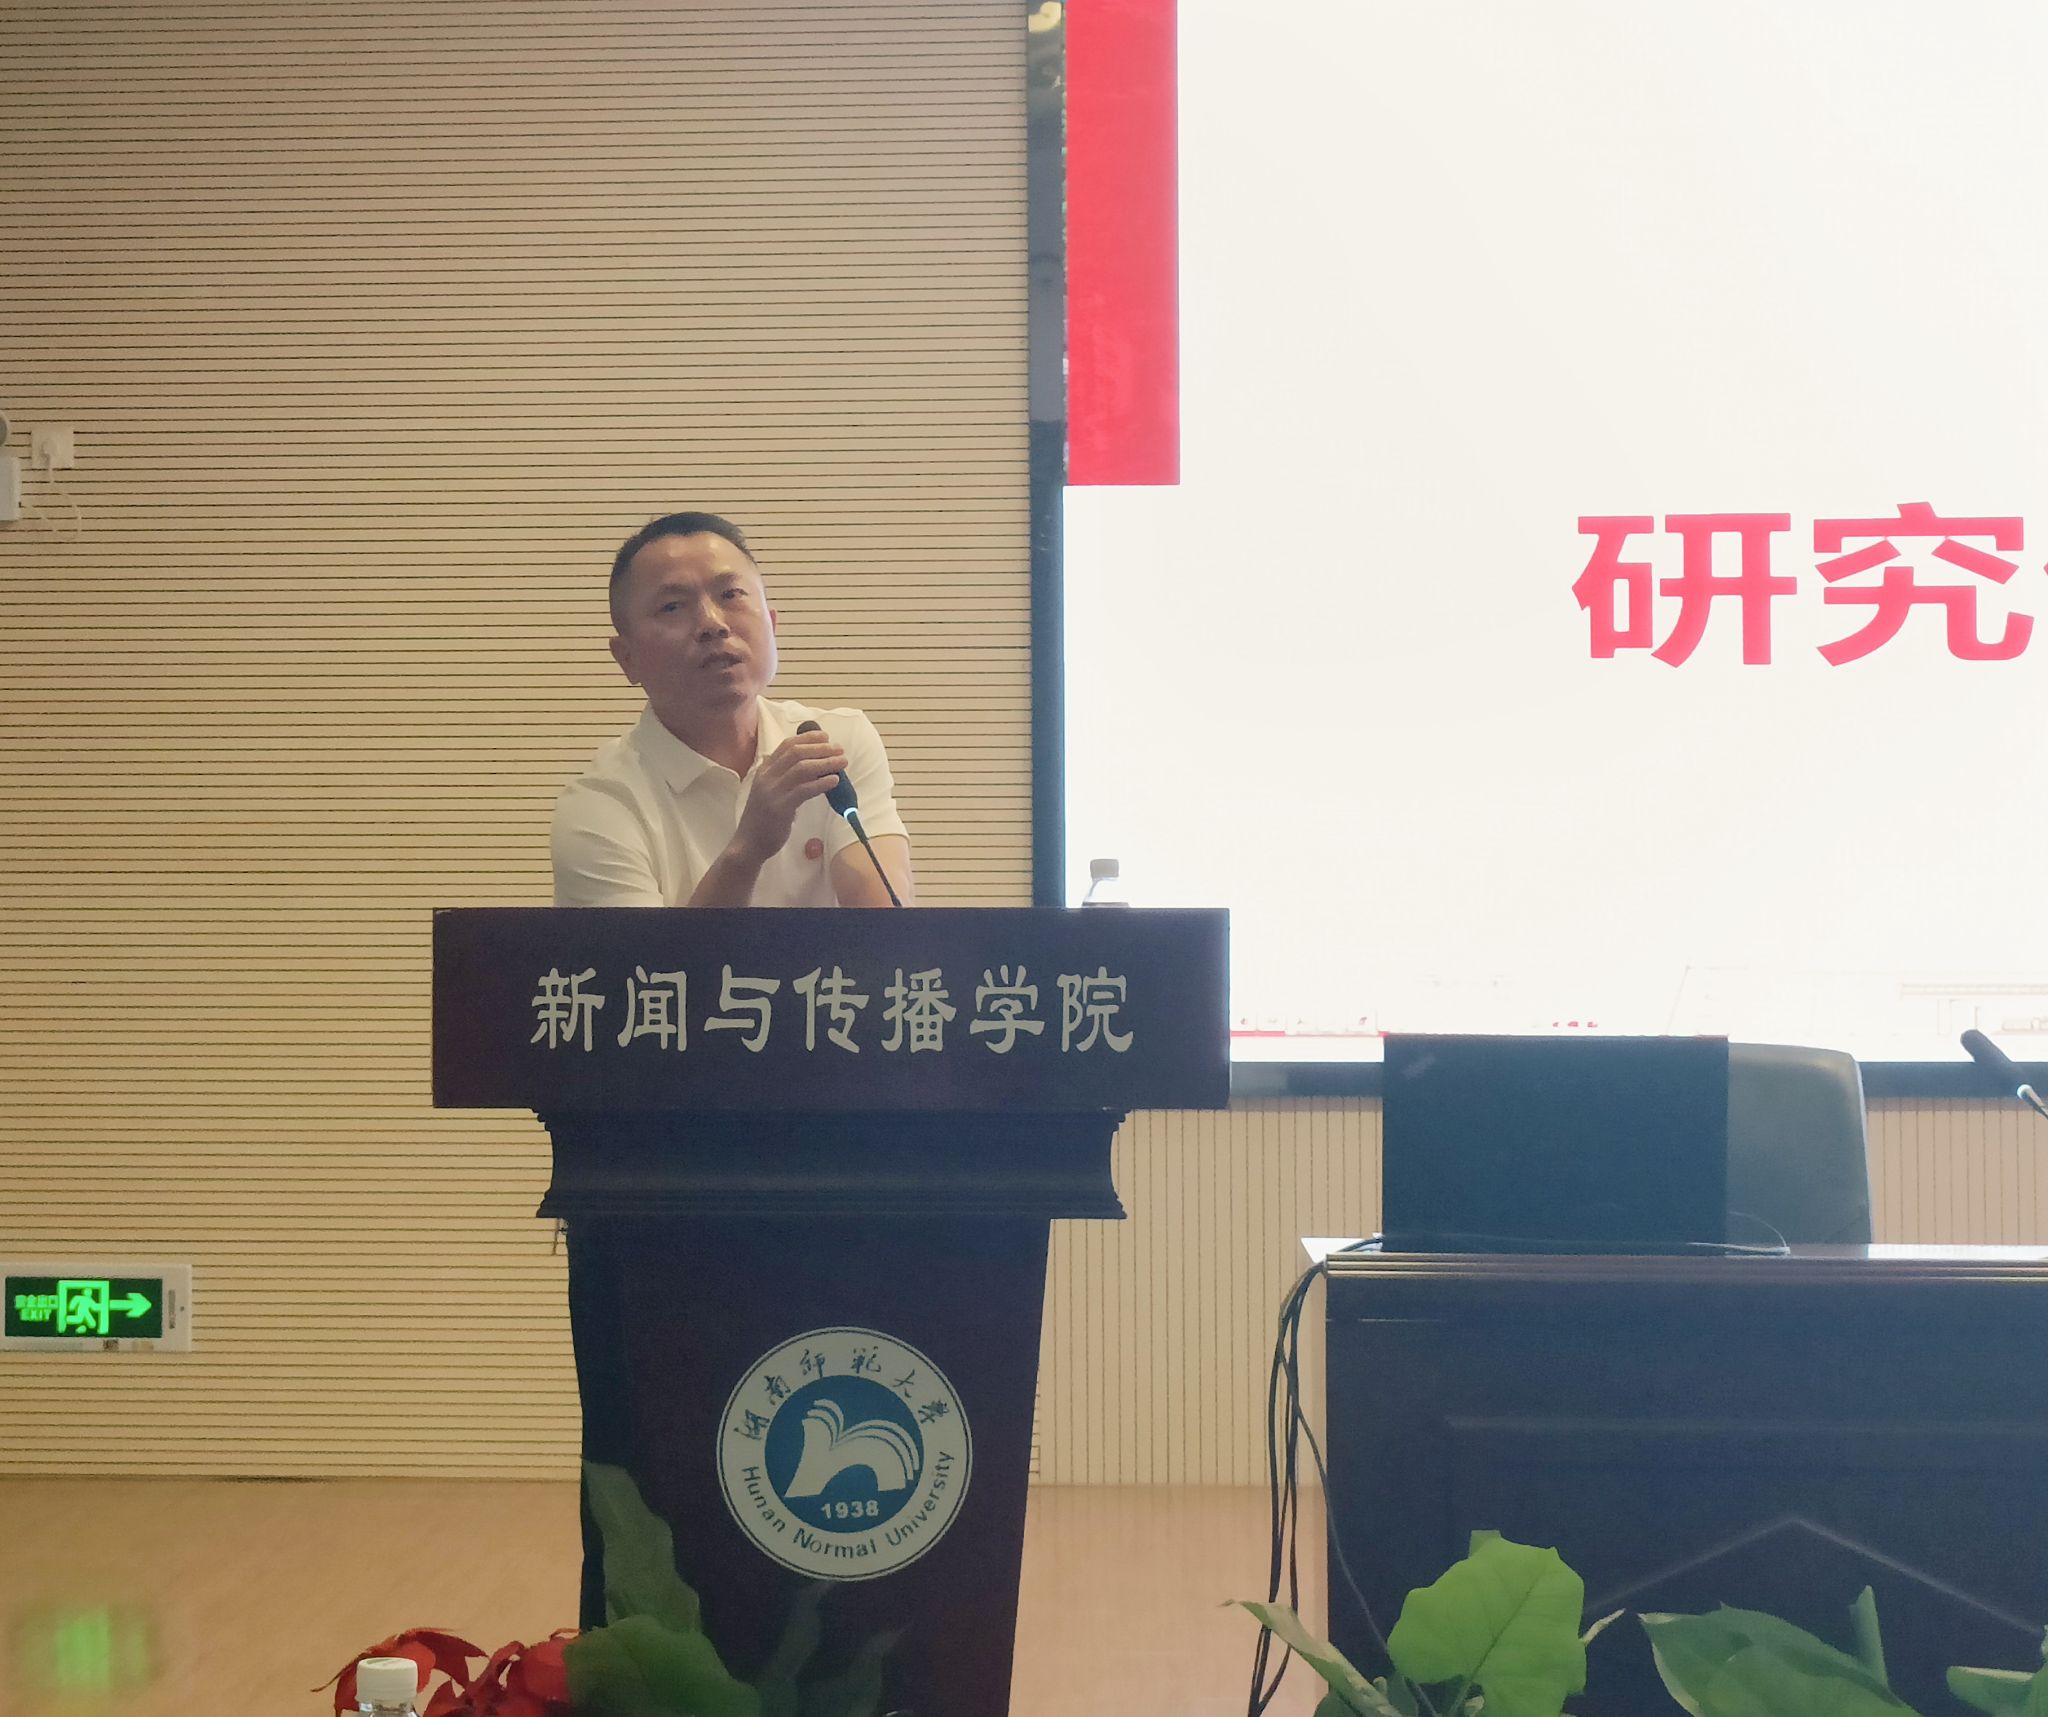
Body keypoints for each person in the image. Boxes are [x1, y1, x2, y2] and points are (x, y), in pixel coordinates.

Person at [552, 510, 914, 908]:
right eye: (672, 607)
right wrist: (748, 849)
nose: (713, 624)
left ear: (772, 624)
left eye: (730, 595)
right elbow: (650, 953)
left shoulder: (835, 744)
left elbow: (887, 932)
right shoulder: (600, 807)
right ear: (627, 658)